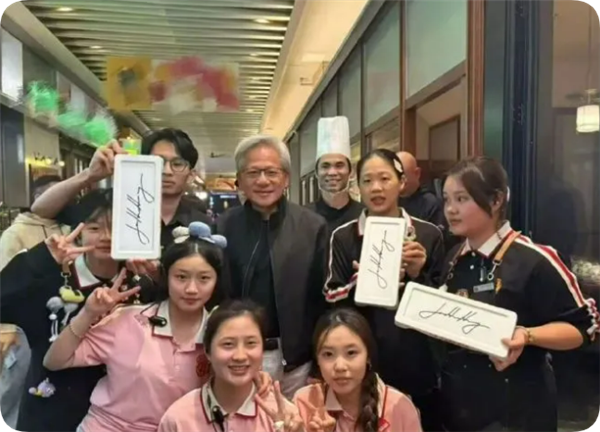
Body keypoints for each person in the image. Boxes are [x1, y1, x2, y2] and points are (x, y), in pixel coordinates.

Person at [439, 156, 600, 432]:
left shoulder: (534, 260)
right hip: (461, 406)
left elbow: (584, 328)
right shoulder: (454, 258)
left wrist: (526, 335)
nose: (450, 209)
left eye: (462, 199)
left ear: (496, 200)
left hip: (519, 409)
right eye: (446, 199)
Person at [42, 222, 232, 432]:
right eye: (181, 277)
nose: (191, 289)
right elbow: (54, 361)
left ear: (217, 281)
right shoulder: (129, 320)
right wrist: (88, 314)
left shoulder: (220, 333)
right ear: (166, 277)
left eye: (204, 278)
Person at [0, 189, 143, 432]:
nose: (106, 237)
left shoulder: (140, 284)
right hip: (51, 410)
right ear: (78, 231)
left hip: (119, 416)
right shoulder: (50, 278)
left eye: (116, 227)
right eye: (94, 228)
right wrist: (41, 258)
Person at [323, 149, 445, 431]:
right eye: (367, 181)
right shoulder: (344, 236)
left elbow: (443, 305)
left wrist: (418, 274)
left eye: (384, 179)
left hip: (416, 357)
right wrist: (359, 281)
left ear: (402, 182)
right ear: (358, 187)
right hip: (364, 358)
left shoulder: (428, 234)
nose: (376, 188)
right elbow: (330, 297)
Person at [217, 135, 328, 398]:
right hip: (239, 355)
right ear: (240, 179)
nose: (263, 180)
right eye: (253, 172)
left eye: (271, 172)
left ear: (286, 178)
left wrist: (319, 361)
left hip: (297, 361)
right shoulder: (224, 226)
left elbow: (323, 300)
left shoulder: (312, 226)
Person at [31, 130, 211, 249]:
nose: (167, 171)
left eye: (177, 164)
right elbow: (40, 209)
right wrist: (89, 175)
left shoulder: (200, 223)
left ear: (191, 175)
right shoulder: (109, 204)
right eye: (158, 162)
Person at [158, 300, 303, 432]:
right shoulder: (178, 418)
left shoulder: (284, 415)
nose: (240, 356)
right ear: (208, 351)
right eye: (228, 344)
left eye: (251, 343)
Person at [294, 308, 422, 432]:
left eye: (351, 353)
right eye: (328, 354)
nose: (340, 366)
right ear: (317, 359)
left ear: (368, 356)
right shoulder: (306, 402)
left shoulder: (398, 407)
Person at [305, 117, 363, 234]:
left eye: (339, 165)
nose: (332, 172)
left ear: (351, 171)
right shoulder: (303, 217)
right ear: (316, 173)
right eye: (325, 166)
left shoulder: (364, 215)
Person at [0, 175, 68, 270]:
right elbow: (6, 275)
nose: (61, 200)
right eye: (55, 194)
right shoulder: (15, 233)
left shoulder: (68, 227)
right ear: (38, 198)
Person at [396, 151, 444, 228]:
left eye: (402, 176)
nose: (398, 180)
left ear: (417, 173)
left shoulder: (430, 203)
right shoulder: (389, 200)